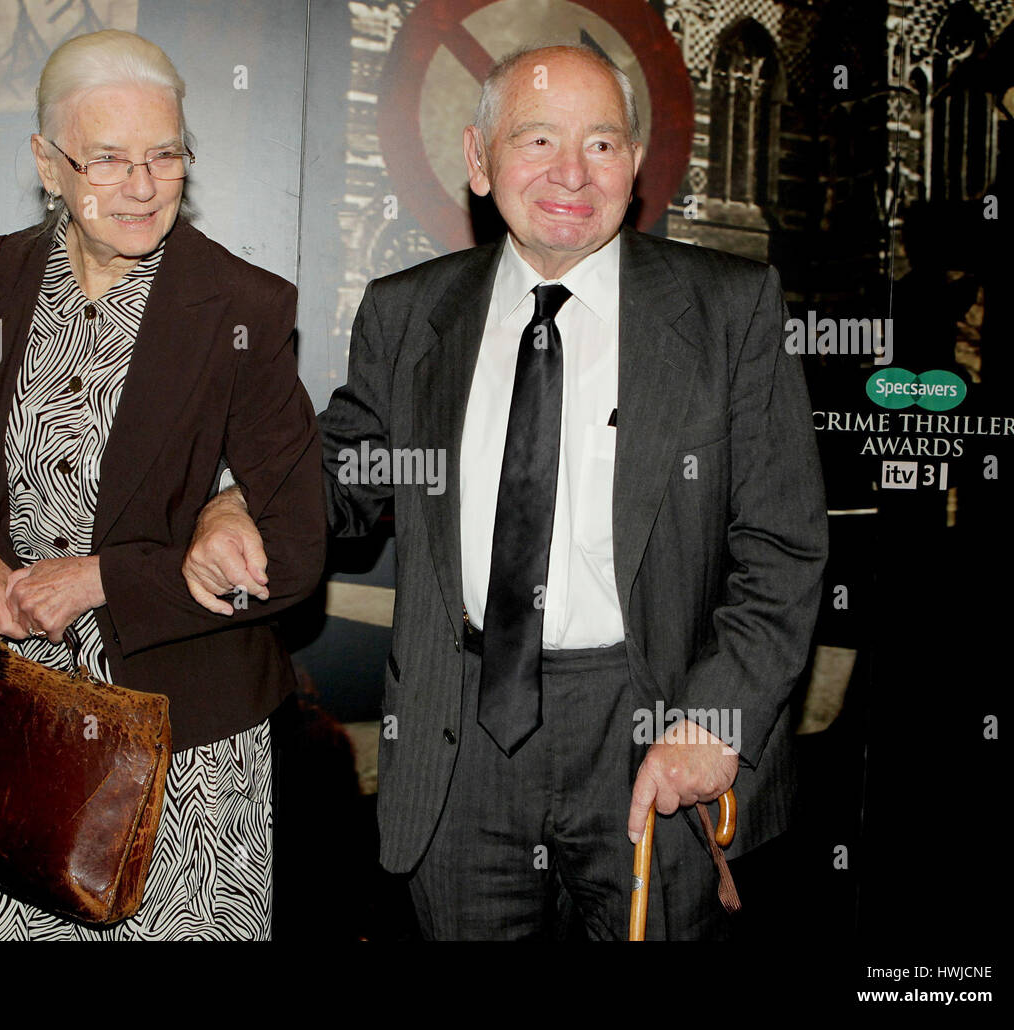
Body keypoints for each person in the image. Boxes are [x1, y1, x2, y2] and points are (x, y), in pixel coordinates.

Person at [184, 43, 826, 939]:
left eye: (602, 144)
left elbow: (784, 548)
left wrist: (716, 723)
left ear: (635, 164)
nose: (572, 172)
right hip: (462, 739)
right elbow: (342, 477)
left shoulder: (730, 311)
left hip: (654, 733)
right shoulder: (409, 313)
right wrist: (234, 500)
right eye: (537, 141)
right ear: (480, 160)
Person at [0, 29, 325, 940]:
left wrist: (102, 577)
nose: (142, 186)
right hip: (21, 727)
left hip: (187, 755)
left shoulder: (244, 309)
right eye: (107, 159)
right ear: (47, 164)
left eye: (165, 155)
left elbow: (294, 554)